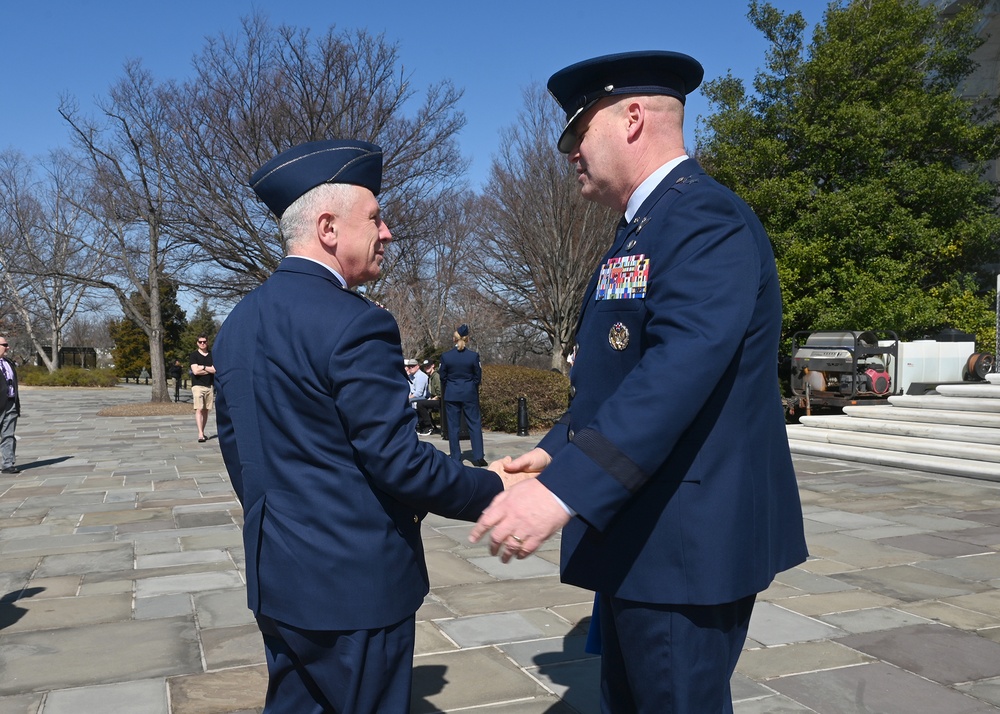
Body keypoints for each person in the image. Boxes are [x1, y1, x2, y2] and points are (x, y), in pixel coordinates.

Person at [470, 51, 808, 713]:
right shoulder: (645, 229)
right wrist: (558, 447)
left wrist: (560, 493)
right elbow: (622, 376)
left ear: (630, 120)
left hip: (683, 545)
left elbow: (676, 375)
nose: (568, 150)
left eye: (577, 131)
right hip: (647, 535)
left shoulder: (703, 221)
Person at [213, 139, 516, 714]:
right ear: (328, 227)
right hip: (354, 587)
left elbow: (241, 456)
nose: (388, 232)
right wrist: (494, 487)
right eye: (375, 218)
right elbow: (398, 462)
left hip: (277, 575)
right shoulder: (357, 325)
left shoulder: (240, 321)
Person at [439, 325, 486, 467]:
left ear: (455, 338)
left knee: (453, 427)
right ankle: (478, 456)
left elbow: (443, 376)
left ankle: (455, 457)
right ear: (467, 339)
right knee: (474, 424)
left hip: (452, 393)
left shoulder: (446, 356)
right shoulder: (473, 356)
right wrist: (470, 386)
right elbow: (477, 376)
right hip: (469, 393)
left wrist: (452, 387)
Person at [0, 337, 21, 475]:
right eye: (5, 345)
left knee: (8, 435)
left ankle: (7, 464)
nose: (8, 347)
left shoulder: (8, 362)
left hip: (10, 402)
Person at [189, 336, 215, 443]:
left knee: (206, 410)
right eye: (200, 342)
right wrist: (209, 369)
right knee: (199, 409)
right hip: (197, 386)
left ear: (207, 342)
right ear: (197, 343)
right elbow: (195, 371)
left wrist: (203, 367)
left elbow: (215, 369)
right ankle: (200, 434)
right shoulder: (194, 355)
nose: (203, 343)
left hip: (209, 385)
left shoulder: (212, 354)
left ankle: (202, 432)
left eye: (204, 342)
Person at [413, 359, 441, 435]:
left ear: (433, 366)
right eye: (425, 367)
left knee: (420, 404)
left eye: (428, 366)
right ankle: (422, 426)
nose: (426, 368)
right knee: (419, 403)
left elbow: (440, 393)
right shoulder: (430, 377)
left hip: (440, 400)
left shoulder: (436, 376)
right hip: (433, 398)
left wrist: (433, 398)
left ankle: (428, 427)